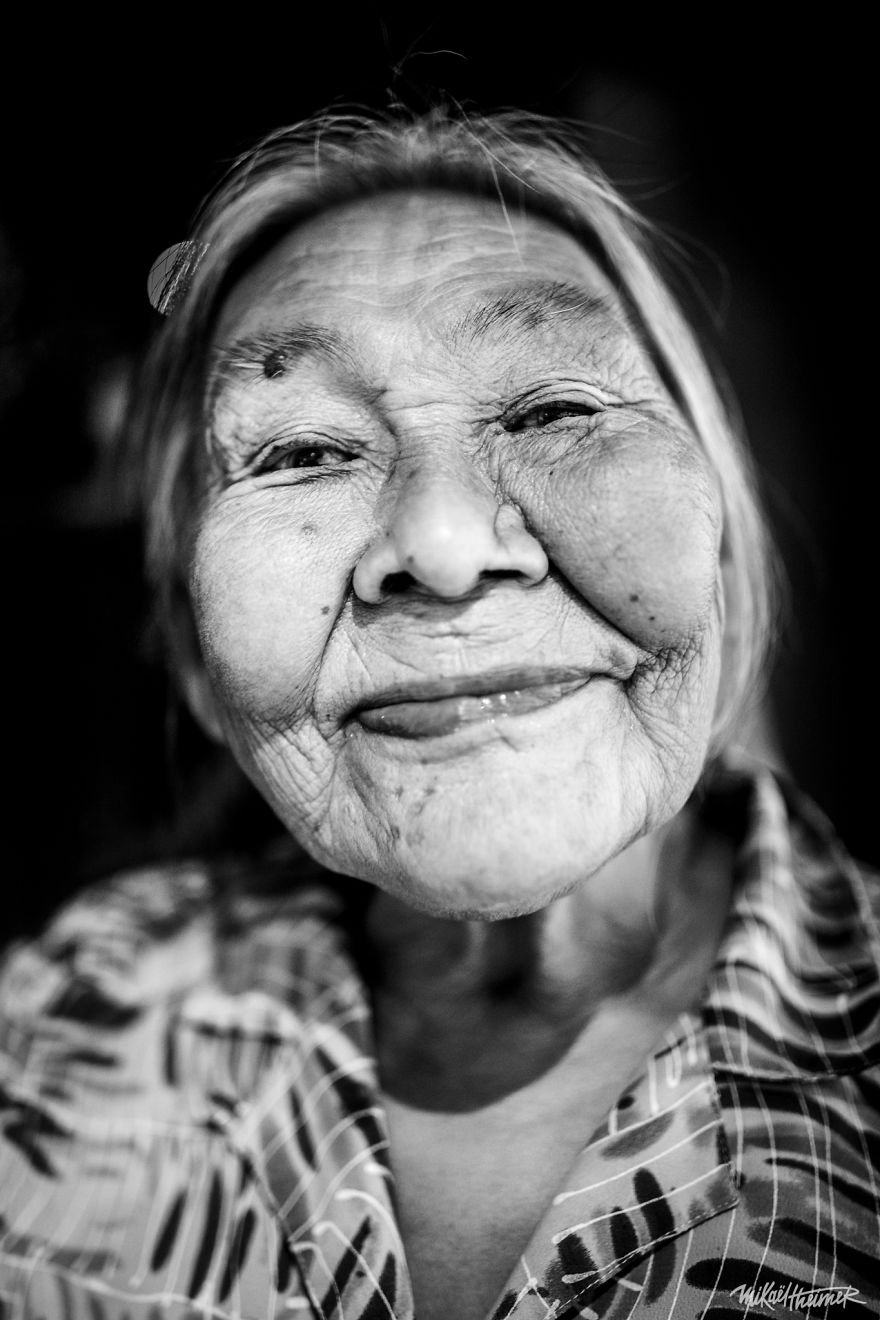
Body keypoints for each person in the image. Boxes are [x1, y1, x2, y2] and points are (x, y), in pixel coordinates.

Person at [0, 106, 877, 1320]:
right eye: (302, 453)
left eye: (553, 411)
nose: (444, 548)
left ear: (722, 556)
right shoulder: (62, 1013)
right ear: (198, 661)